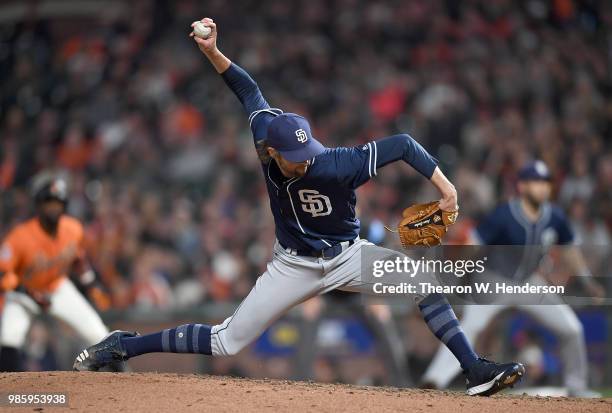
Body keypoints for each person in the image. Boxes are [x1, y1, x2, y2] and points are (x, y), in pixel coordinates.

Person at [73, 17, 524, 396]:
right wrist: (212, 51)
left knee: (424, 283)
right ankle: (123, 346)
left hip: (349, 256)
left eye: (308, 153)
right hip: (293, 265)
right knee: (227, 342)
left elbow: (404, 144)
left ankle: (475, 370)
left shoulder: (334, 163)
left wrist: (448, 191)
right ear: (272, 152)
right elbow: (247, 91)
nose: (305, 162)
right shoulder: (264, 136)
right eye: (296, 158)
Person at [420, 160, 605, 397]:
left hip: (529, 283)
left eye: (545, 182)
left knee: (572, 328)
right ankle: (434, 380)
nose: (542, 187)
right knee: (468, 327)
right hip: (493, 280)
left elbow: (569, 250)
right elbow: (472, 244)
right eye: (535, 182)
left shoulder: (554, 217)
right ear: (522, 187)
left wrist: (588, 280)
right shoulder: (505, 214)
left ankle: (577, 386)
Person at [0, 174, 112, 371]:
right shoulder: (19, 236)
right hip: (23, 293)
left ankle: (126, 382)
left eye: (58, 202)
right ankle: (8, 392)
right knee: (9, 338)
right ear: (38, 205)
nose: (53, 207)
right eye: (48, 202)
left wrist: (92, 285)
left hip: (57, 287)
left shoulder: (73, 228)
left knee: (99, 334)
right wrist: (28, 293)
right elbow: (3, 273)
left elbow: (79, 259)